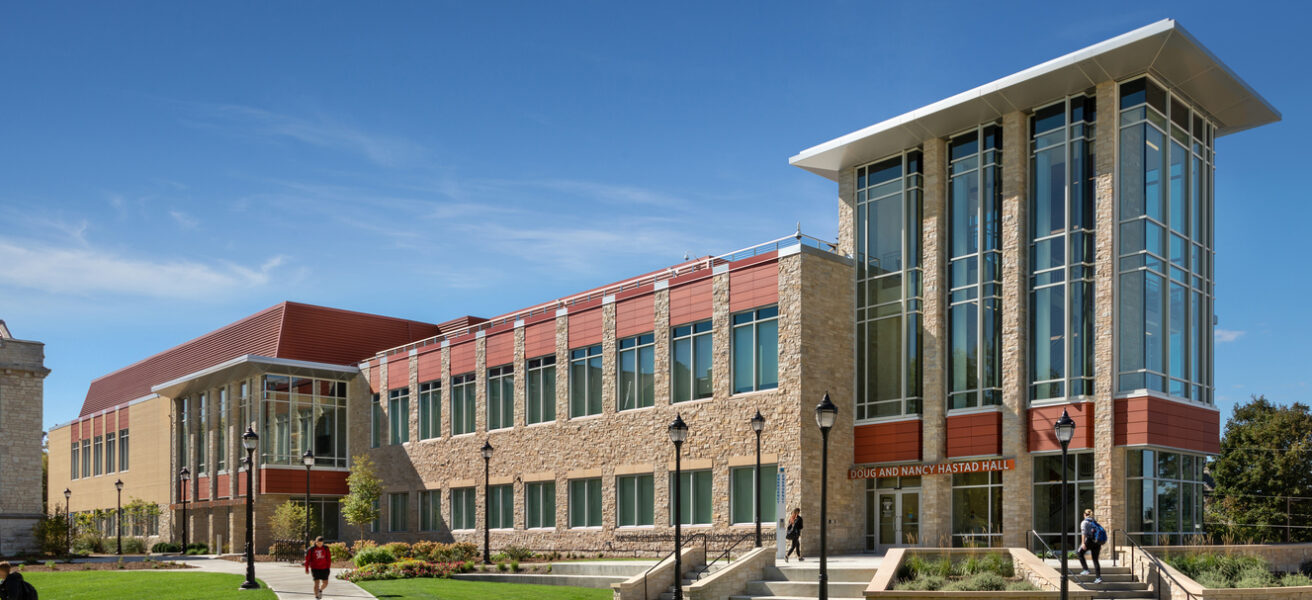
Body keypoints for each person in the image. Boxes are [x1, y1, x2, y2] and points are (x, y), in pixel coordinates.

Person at [1077, 509, 1103, 584]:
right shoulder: (1094, 522)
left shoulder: (1084, 522)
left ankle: (1086, 569)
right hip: (1097, 542)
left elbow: (1083, 533)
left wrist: (1083, 543)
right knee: (1095, 560)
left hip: (1089, 541)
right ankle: (1098, 578)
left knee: (1079, 553)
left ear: (1084, 514)